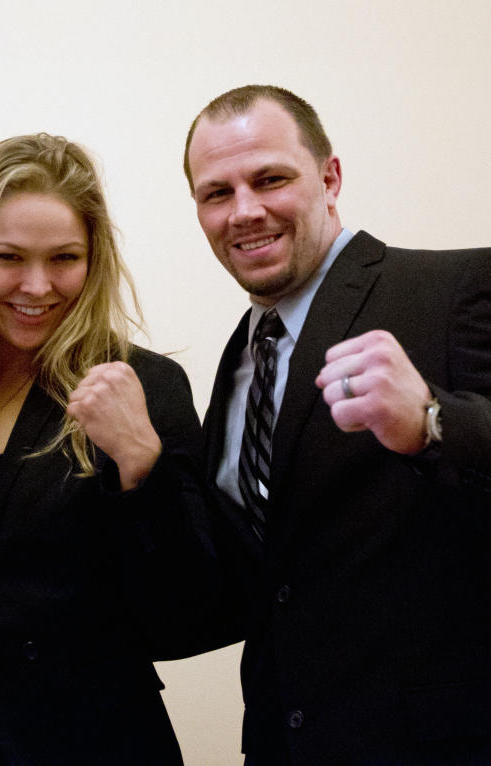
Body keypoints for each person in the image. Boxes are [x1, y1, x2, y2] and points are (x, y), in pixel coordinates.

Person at [0, 133, 216, 765]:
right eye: (7, 257)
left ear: (94, 258)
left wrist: (142, 466)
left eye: (64, 258)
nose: (37, 285)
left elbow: (189, 613)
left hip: (94, 736)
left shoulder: (144, 384)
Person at [185, 84, 491, 764]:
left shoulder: (456, 288)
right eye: (216, 193)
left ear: (329, 177)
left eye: (270, 179)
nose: (245, 211)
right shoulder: (240, 357)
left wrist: (433, 423)